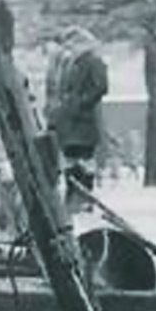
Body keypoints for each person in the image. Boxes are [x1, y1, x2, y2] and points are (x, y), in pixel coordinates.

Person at [45, 27, 109, 209]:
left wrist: (82, 103)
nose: (69, 48)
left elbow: (101, 86)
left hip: (83, 120)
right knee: (71, 158)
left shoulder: (93, 61)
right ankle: (75, 194)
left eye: (71, 44)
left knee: (83, 159)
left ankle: (83, 196)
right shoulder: (74, 62)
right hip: (71, 121)